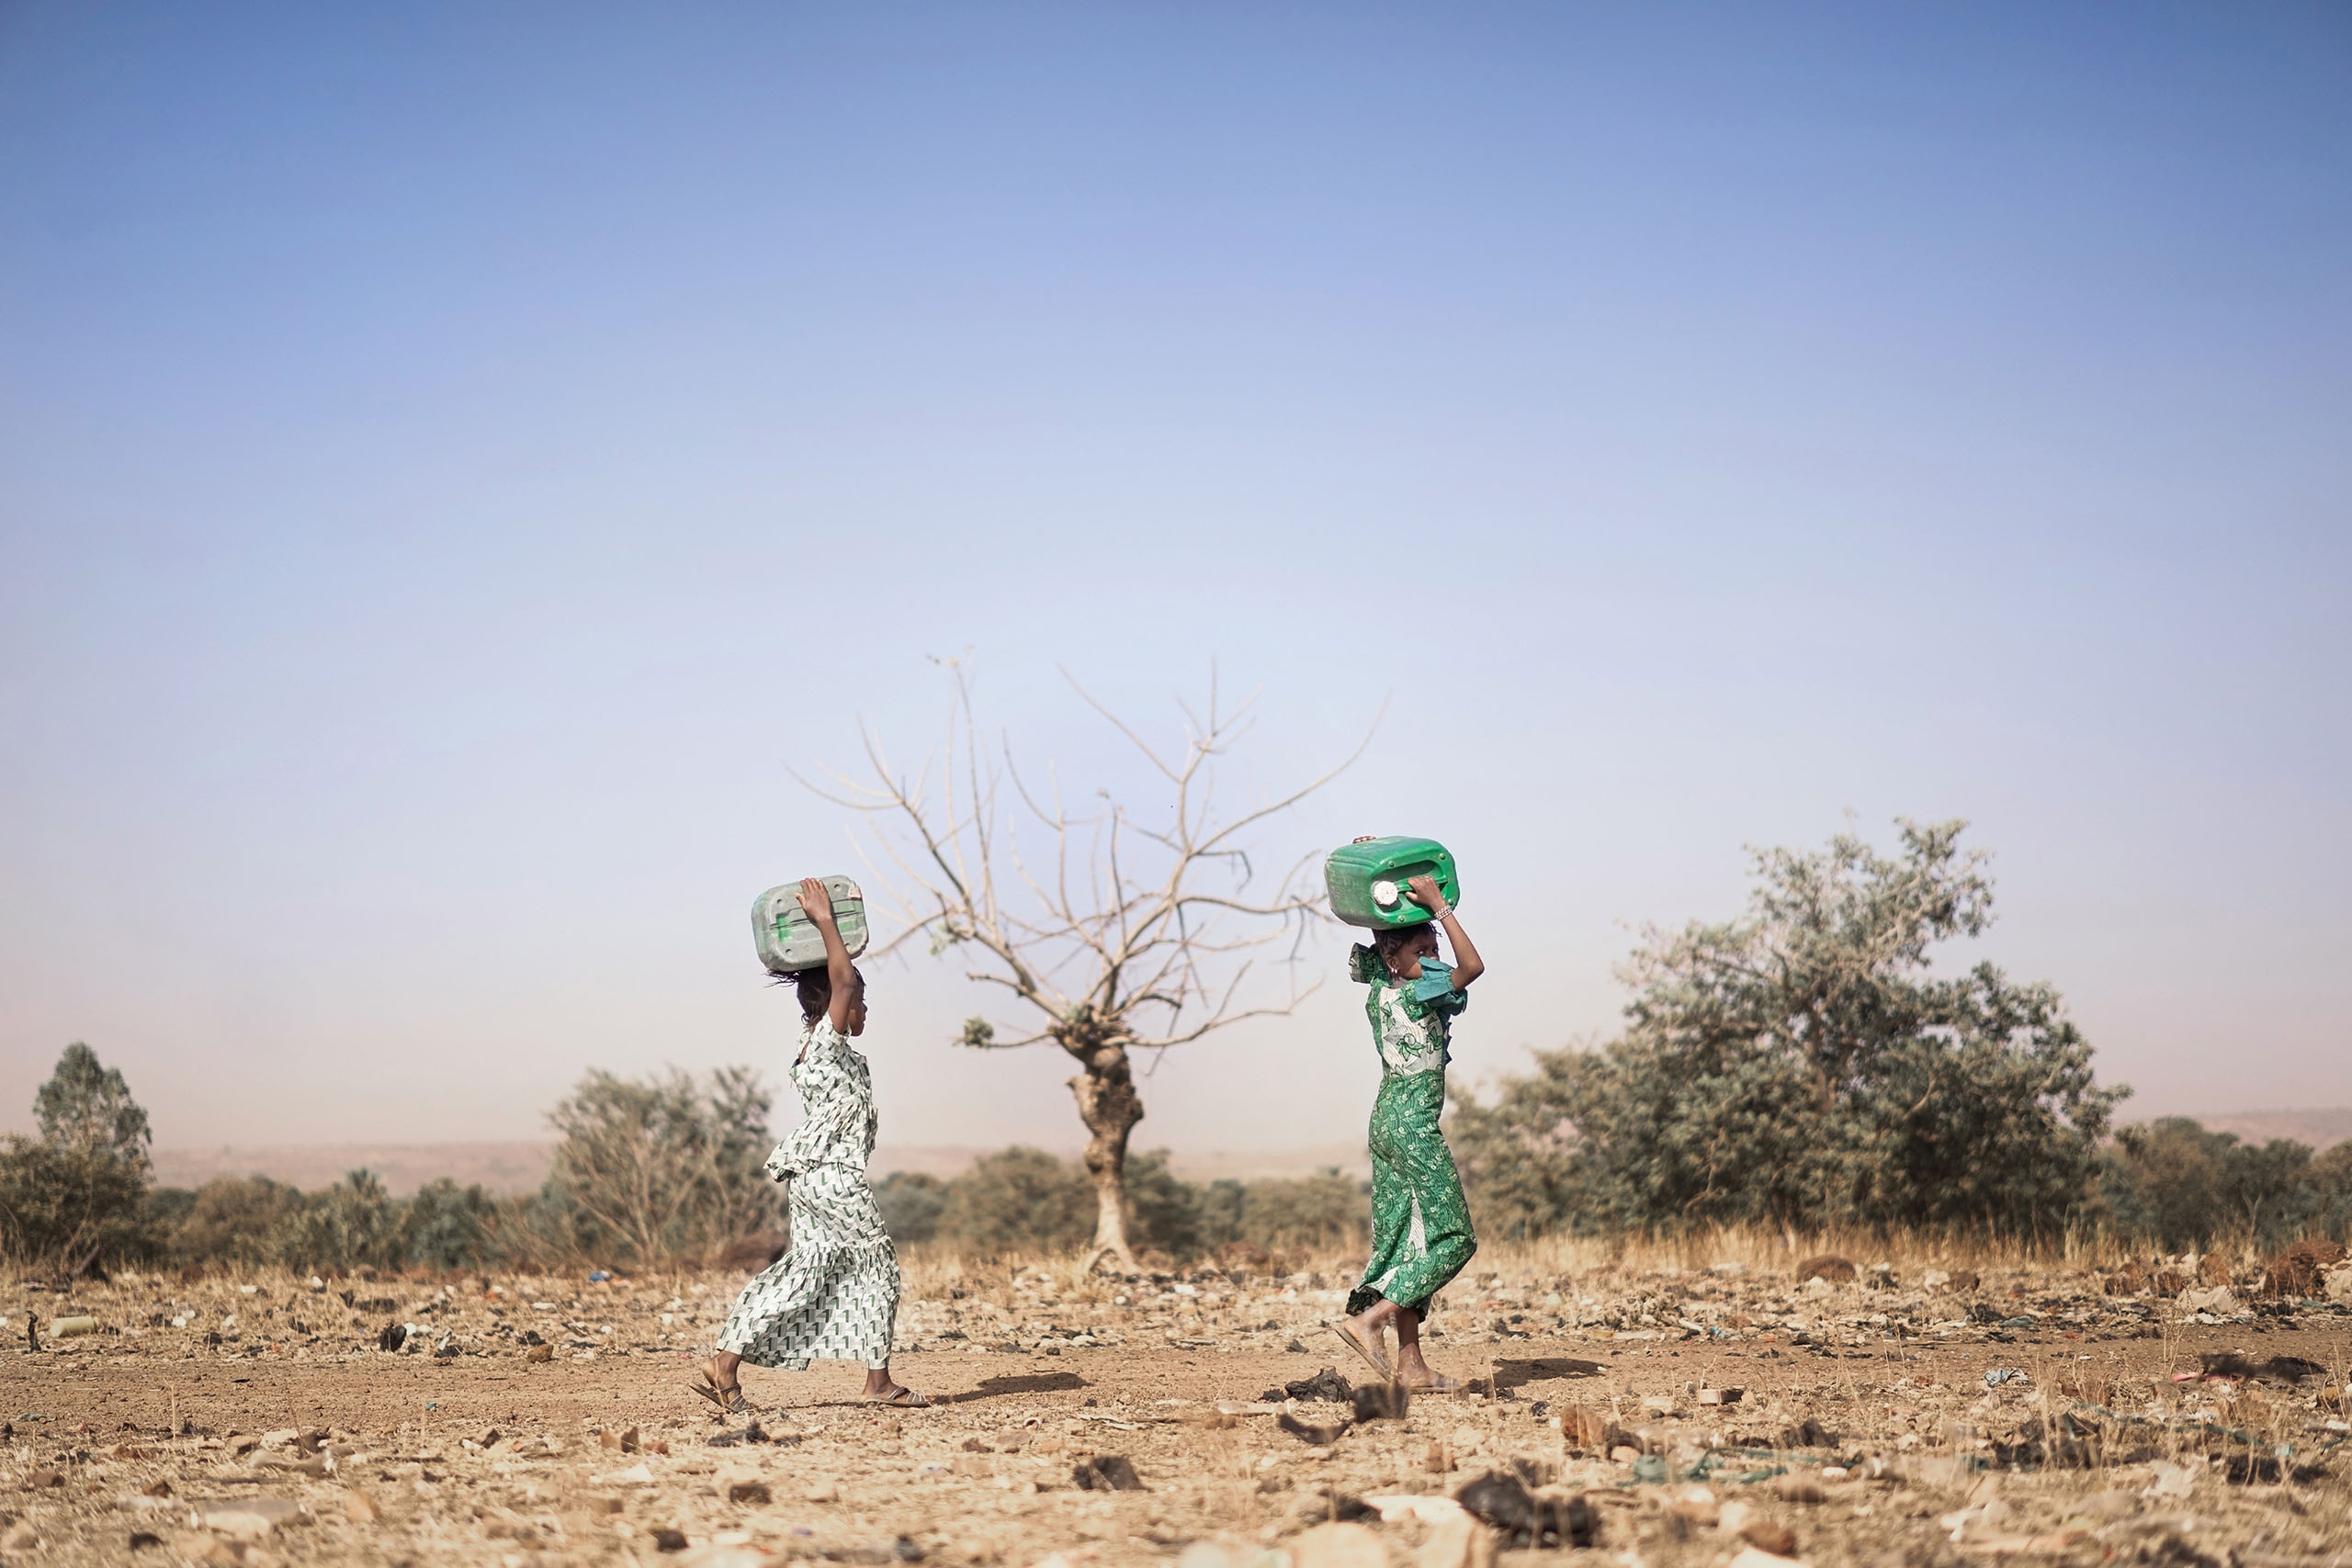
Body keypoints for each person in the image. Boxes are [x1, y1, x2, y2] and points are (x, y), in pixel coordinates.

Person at [695, 877, 928, 1412]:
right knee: (876, 1264)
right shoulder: (826, 1036)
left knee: (808, 1269)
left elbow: (841, 984)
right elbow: (843, 981)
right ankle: (877, 1383)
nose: (863, 1009)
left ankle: (725, 1364)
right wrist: (825, 921)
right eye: (860, 1001)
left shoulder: (810, 1044)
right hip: (832, 1173)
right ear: (837, 1003)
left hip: (812, 1176)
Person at [1328, 872, 1485, 1393]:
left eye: (1434, 942)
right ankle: (1368, 1321)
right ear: (1399, 956)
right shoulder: (1423, 992)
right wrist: (1440, 906)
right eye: (1424, 945)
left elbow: (1382, 933)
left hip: (1386, 1119)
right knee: (1454, 1238)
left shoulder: (1381, 983)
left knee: (1406, 1239)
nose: (1434, 950)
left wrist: (1378, 878)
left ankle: (1410, 1365)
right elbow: (1475, 966)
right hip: (1414, 1124)